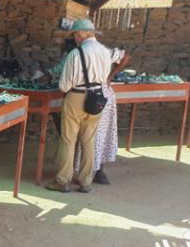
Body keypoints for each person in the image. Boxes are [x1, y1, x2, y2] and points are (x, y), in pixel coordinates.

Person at [46, 18, 117, 193]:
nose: (75, 38)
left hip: (76, 98)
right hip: (97, 98)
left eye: (75, 34)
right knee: (89, 141)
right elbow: (106, 77)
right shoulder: (104, 52)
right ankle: (86, 182)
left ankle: (62, 181)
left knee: (68, 140)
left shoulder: (75, 54)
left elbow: (64, 86)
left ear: (80, 34)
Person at [75, 49, 130, 185]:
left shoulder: (79, 53)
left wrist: (110, 76)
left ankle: (94, 171)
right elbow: (126, 56)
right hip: (102, 96)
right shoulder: (105, 52)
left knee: (92, 134)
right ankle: (96, 171)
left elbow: (126, 56)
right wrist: (110, 76)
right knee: (98, 134)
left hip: (91, 97)